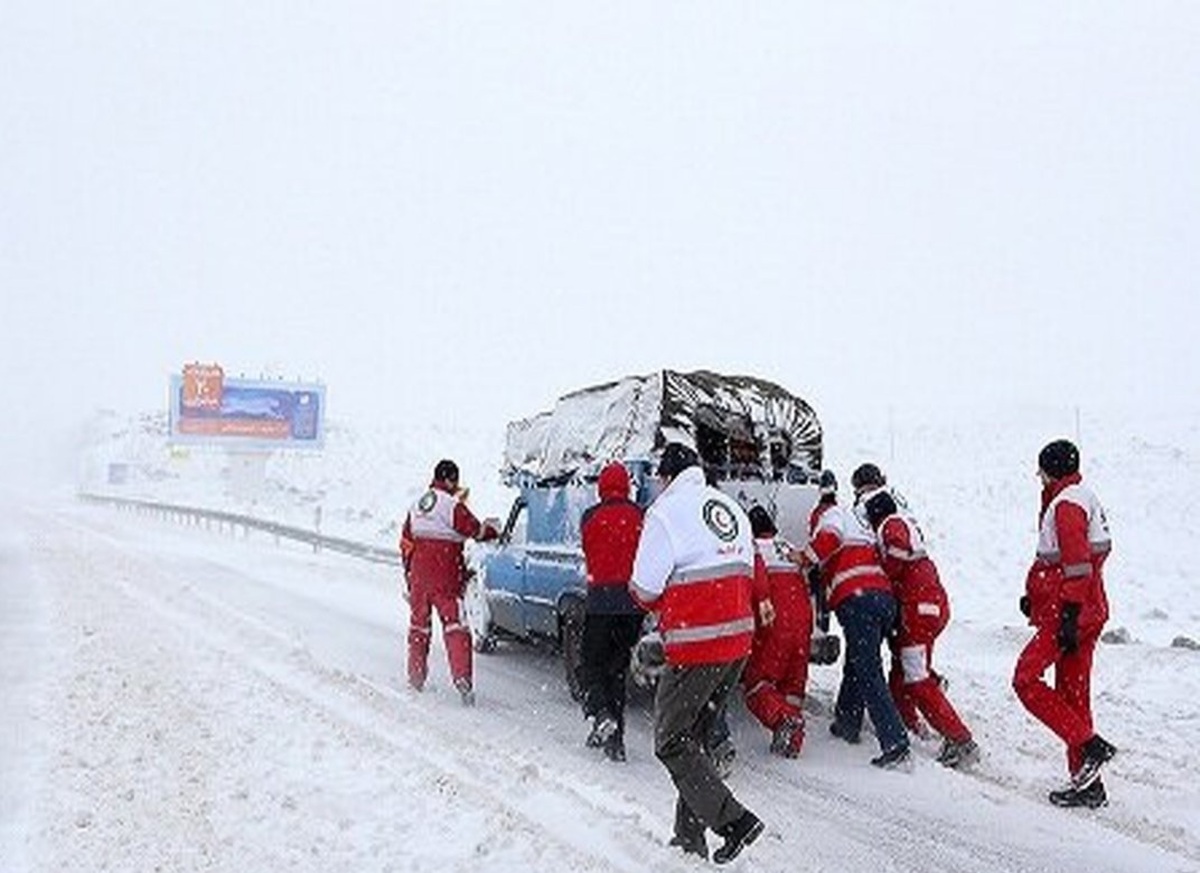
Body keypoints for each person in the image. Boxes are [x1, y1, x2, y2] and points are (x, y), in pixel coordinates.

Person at [630, 442, 764, 864]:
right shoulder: (729, 508)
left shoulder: (666, 513)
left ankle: (734, 822)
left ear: (667, 477)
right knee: (697, 741)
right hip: (738, 642)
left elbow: (645, 588)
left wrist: (654, 598)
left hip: (697, 642)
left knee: (670, 740)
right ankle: (689, 840)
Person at [1012, 439, 1116, 808]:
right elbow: (1069, 563)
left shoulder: (1067, 504)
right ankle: (1087, 784)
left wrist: (1068, 615)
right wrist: (1035, 598)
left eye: (1040, 470)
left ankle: (1088, 747)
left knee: (1025, 679)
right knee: (1073, 695)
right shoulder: (1082, 496)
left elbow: (1075, 566)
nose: (1037, 477)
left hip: (1070, 613)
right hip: (1086, 609)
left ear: (1050, 469)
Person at [854, 473, 978, 769]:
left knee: (916, 678)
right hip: (928, 605)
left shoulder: (891, 525)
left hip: (918, 609)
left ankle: (960, 740)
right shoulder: (907, 525)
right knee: (902, 674)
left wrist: (882, 571)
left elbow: (896, 553)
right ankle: (910, 721)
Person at [792, 469, 910, 769]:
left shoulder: (833, 515)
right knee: (858, 659)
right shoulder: (862, 523)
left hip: (858, 600)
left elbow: (828, 539)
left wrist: (804, 558)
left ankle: (895, 742)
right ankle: (847, 721)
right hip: (884, 601)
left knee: (868, 668)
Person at [399, 459, 499, 706]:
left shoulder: (416, 505)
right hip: (445, 576)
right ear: (451, 480)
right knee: (456, 627)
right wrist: (493, 531)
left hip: (419, 577)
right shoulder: (452, 505)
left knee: (418, 628)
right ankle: (462, 680)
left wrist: (410, 576)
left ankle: (415, 677)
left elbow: (405, 543)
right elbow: (475, 530)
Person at [579, 461, 646, 762]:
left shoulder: (590, 517)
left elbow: (589, 549)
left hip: (600, 602)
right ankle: (614, 742)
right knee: (616, 671)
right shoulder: (641, 516)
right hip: (632, 605)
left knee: (591, 666)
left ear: (601, 487)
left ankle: (601, 713)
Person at [743, 505, 813, 758]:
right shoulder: (787, 548)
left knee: (757, 686)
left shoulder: (752, 551)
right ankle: (791, 742)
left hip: (775, 626)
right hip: (803, 625)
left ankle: (783, 720)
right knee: (792, 689)